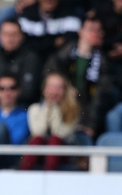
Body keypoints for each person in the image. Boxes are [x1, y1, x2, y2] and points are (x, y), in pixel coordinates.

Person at [43, 17, 113, 145]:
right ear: (80, 32)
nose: (95, 33)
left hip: (84, 119)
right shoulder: (62, 55)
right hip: (59, 114)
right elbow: (49, 79)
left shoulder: (103, 64)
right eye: (91, 29)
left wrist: (90, 125)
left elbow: (100, 99)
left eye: (98, 30)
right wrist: (66, 87)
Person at [19, 72, 80, 171]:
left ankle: (50, 175)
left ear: (65, 91)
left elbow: (60, 133)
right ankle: (23, 174)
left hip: (63, 151)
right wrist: (47, 108)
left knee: (55, 140)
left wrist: (55, 109)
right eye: (51, 87)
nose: (54, 91)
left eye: (59, 87)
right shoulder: (34, 108)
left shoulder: (72, 110)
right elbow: (38, 131)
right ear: (44, 90)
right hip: (40, 150)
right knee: (36, 140)